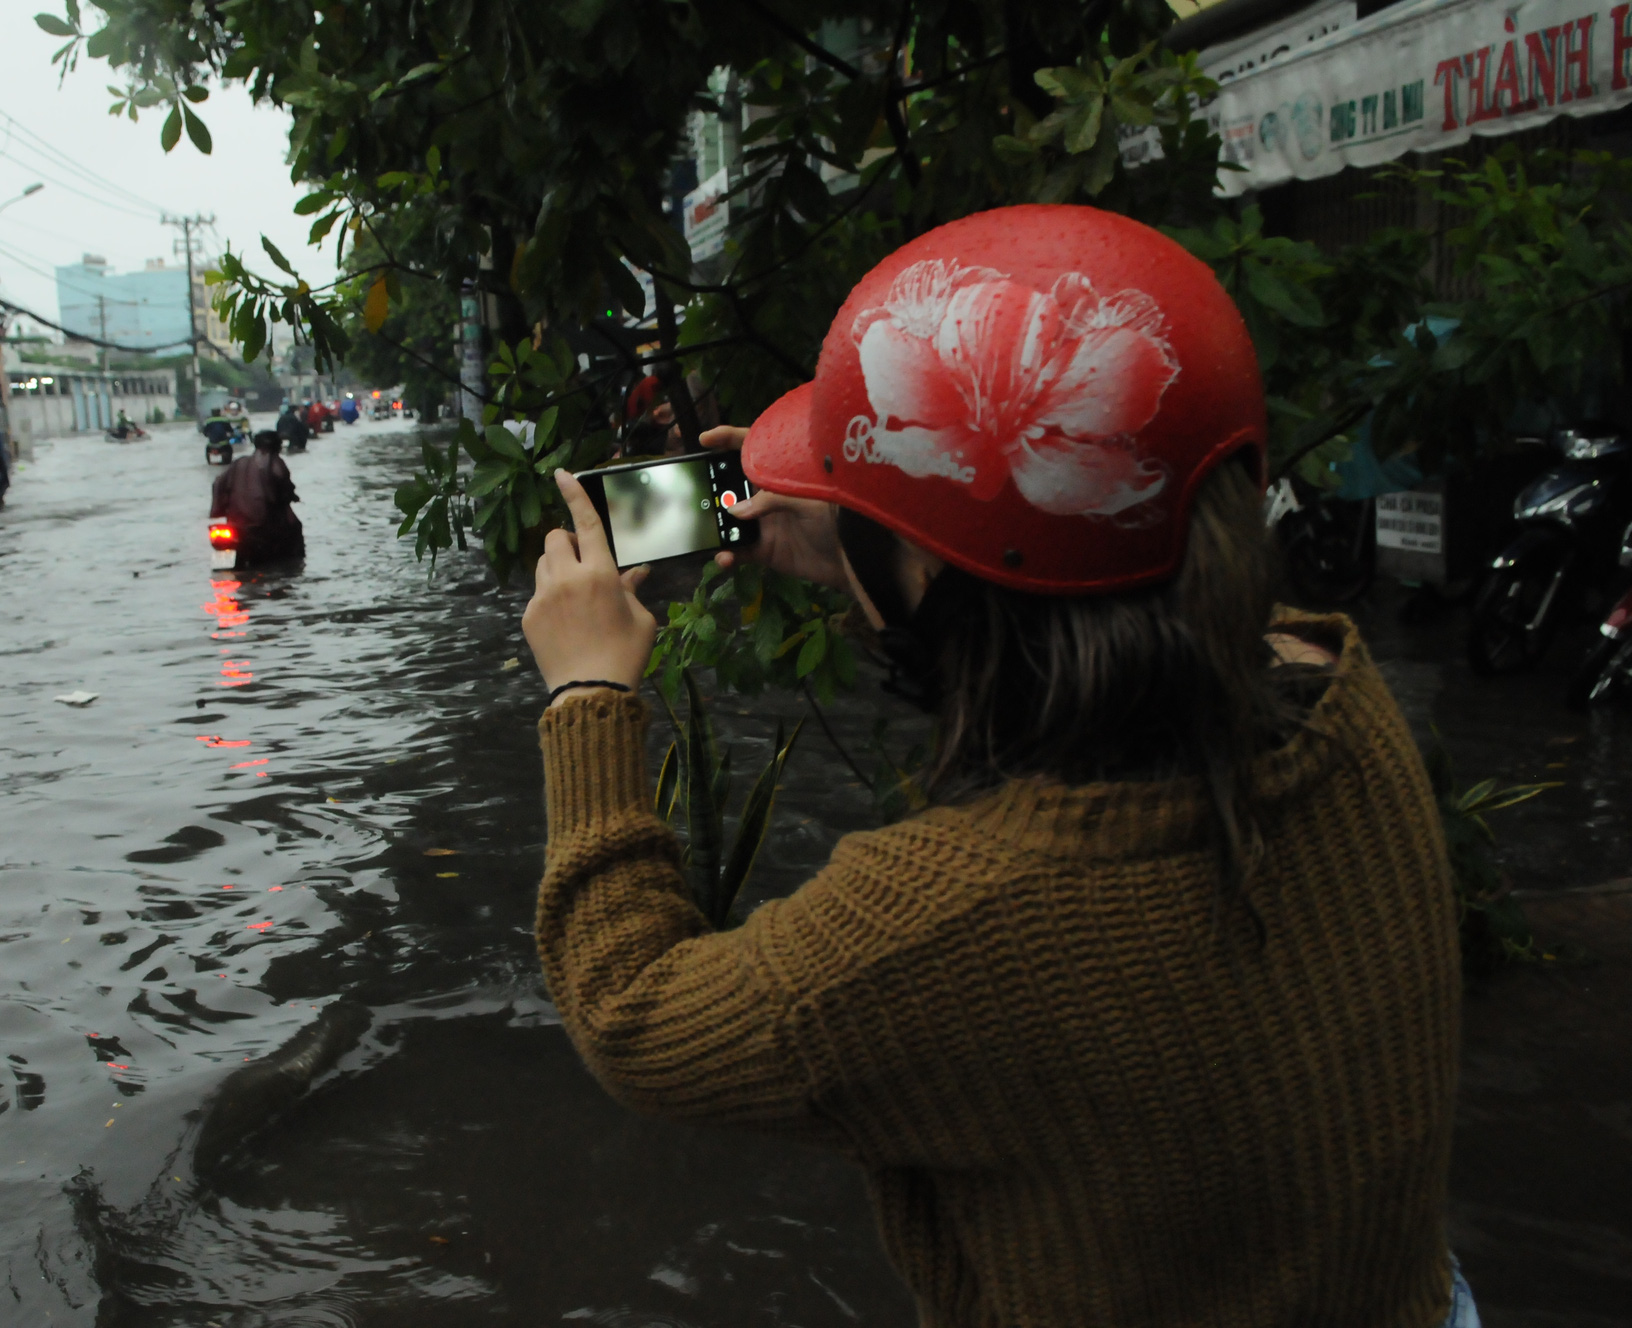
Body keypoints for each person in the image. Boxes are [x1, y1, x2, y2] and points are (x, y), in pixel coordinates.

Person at [519, 206, 1473, 1327]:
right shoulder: (1339, 695)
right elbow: (1075, 559)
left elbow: (632, 1015)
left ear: (926, 572)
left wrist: (588, 696)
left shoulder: (945, 921)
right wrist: (862, 538)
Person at [210, 430, 304, 564]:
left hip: (235, 523)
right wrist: (290, 495)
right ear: (276, 446)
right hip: (263, 523)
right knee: (295, 526)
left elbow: (217, 484)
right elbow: (284, 488)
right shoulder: (275, 462)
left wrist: (217, 511)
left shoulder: (238, 462)